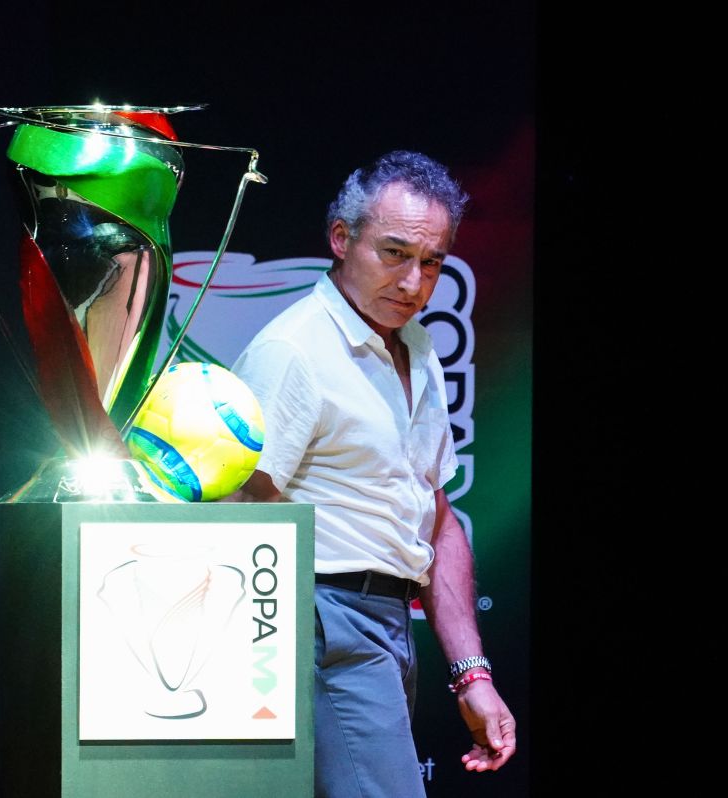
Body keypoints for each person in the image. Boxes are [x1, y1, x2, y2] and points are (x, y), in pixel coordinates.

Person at [229, 150, 516, 797]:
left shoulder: (416, 345)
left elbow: (436, 520)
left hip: (384, 626)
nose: (414, 282)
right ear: (340, 239)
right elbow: (239, 514)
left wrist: (473, 675)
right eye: (394, 253)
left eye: (433, 261)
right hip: (319, 620)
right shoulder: (293, 351)